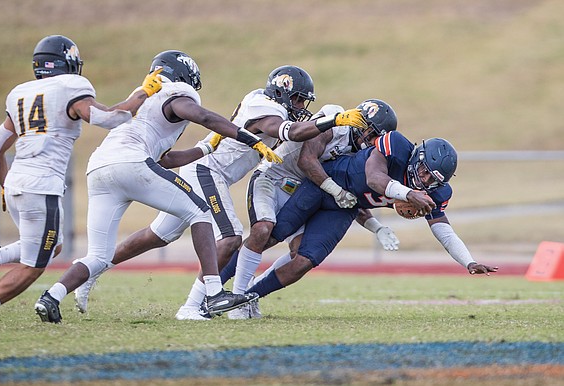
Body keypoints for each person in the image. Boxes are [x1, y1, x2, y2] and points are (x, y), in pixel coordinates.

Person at [71, 65, 370, 320]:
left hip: (206, 170)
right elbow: (289, 132)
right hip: (207, 172)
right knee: (230, 237)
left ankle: (92, 270)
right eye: (297, 98)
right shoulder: (268, 109)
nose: (300, 105)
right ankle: (193, 306)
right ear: (281, 92)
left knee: (157, 235)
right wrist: (333, 120)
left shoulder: (260, 100)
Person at [33, 50, 294, 323]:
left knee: (106, 253)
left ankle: (51, 296)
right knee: (203, 214)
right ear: (183, 76)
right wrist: (250, 139)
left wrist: (206, 146)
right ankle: (210, 296)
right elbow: (202, 117)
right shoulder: (177, 92)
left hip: (99, 168)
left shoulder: (142, 97)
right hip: (132, 163)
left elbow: (166, 159)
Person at [0, 34, 162, 316]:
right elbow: (109, 118)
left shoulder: (19, 92)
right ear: (66, 63)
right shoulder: (72, 85)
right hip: (42, 187)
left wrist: (6, 186)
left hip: (18, 183)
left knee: (53, 245)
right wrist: (143, 92)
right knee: (33, 266)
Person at [243, 131, 499, 308]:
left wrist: (469, 261)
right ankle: (214, 289)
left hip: (343, 209)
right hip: (322, 186)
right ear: (417, 157)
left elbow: (443, 229)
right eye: (424, 172)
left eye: (434, 180)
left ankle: (247, 297)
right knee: (269, 235)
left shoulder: (434, 191)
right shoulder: (396, 148)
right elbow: (375, 180)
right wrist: (408, 193)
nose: (426, 181)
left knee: (305, 259)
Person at [225, 99, 400, 319]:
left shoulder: (357, 156)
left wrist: (376, 227)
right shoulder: (335, 121)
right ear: (361, 125)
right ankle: (220, 294)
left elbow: (351, 198)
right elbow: (306, 160)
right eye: (373, 135)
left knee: (300, 254)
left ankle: (248, 297)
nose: (374, 142)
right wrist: (336, 191)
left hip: (300, 190)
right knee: (262, 232)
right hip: (272, 177)